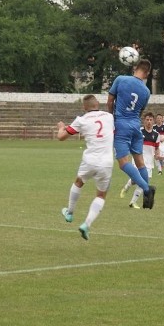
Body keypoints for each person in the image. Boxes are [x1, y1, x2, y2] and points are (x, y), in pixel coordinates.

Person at [58, 94, 116, 240]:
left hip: (90, 159)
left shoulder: (81, 120)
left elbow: (61, 137)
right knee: (101, 195)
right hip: (107, 162)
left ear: (84, 107)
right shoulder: (109, 117)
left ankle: (70, 212)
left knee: (79, 181)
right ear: (97, 103)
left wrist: (60, 127)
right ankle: (87, 224)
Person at [107, 59, 156, 209]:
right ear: (147, 73)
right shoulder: (146, 91)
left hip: (122, 125)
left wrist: (112, 117)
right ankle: (146, 199)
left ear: (135, 67)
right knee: (140, 163)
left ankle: (147, 189)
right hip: (136, 126)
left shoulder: (121, 79)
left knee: (123, 163)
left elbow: (110, 102)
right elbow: (140, 111)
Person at [119, 112, 161, 208]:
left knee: (144, 182)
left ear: (153, 121)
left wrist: (157, 155)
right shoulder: (139, 131)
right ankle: (127, 187)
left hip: (149, 163)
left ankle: (132, 202)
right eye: (147, 119)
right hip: (138, 160)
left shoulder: (156, 135)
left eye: (151, 120)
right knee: (136, 180)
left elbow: (157, 148)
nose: (149, 122)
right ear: (144, 121)